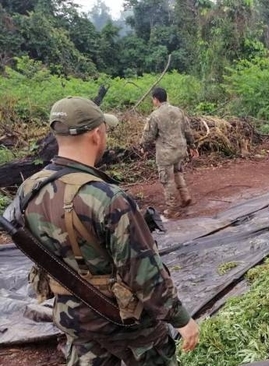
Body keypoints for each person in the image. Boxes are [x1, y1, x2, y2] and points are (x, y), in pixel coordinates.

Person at [4, 96, 198, 365]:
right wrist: (181, 319)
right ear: (96, 135)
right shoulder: (107, 198)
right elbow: (143, 273)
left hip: (72, 316)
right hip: (121, 320)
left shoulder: (29, 189)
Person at [140, 88, 196, 219]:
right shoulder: (178, 111)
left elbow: (148, 136)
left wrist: (142, 146)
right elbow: (187, 130)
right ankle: (185, 196)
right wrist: (192, 146)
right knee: (178, 173)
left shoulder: (155, 115)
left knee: (167, 180)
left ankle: (172, 209)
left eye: (152, 99)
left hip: (166, 153)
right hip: (180, 150)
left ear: (156, 99)